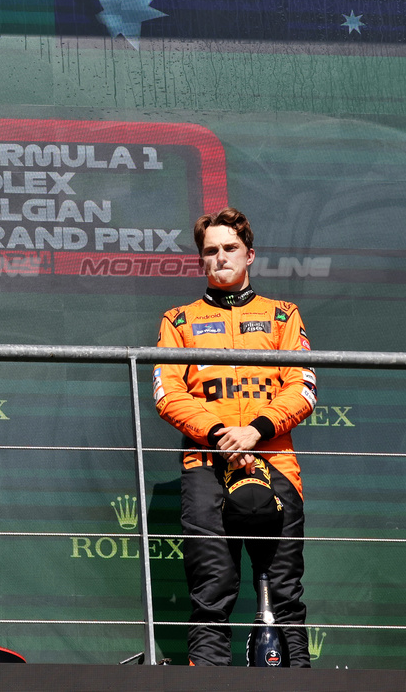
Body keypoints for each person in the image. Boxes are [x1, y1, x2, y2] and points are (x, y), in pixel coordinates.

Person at [153, 207, 316, 666]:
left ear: (250, 255)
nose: (220, 258)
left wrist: (255, 430)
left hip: (275, 460)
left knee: (285, 590)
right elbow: (168, 393)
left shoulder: (283, 315)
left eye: (229, 249)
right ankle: (207, 679)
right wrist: (223, 433)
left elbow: (302, 385)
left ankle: (299, 678)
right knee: (212, 588)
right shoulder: (179, 320)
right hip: (206, 463)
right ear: (201, 261)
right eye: (210, 251)